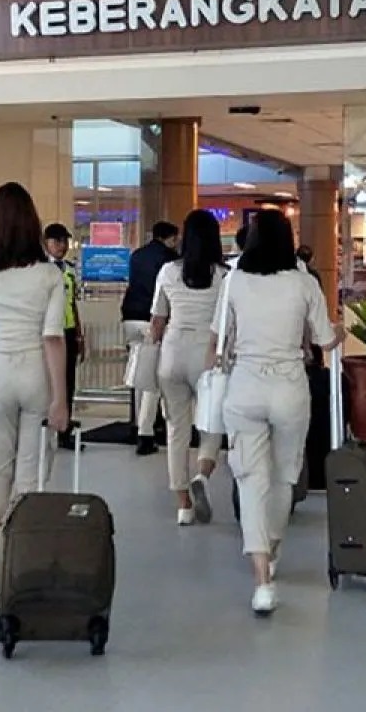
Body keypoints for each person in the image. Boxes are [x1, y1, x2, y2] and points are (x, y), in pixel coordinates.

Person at [209, 209, 344, 616]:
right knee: (285, 475)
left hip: (245, 386)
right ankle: (274, 547)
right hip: (289, 387)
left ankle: (262, 580)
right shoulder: (304, 283)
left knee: (251, 479)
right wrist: (341, 331)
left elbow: (219, 339)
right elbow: (325, 339)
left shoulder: (233, 280)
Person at [0, 182, 70, 602]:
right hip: (35, 374)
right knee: (31, 469)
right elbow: (53, 339)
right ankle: (22, 555)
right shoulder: (48, 274)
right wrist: (60, 399)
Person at [148, 210, 228, 526]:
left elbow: (157, 319)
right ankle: (203, 476)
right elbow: (228, 322)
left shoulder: (168, 271)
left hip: (172, 353)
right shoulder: (223, 275)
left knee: (176, 430)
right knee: (210, 425)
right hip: (208, 357)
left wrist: (151, 345)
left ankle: (183, 505)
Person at [121, 220, 179, 456]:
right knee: (152, 380)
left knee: (139, 375)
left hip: (129, 317)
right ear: (171, 238)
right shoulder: (169, 259)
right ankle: (146, 433)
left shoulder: (136, 255)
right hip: (150, 320)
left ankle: (137, 423)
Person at [44, 222, 86, 446]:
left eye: (65, 241)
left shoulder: (69, 269)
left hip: (67, 331)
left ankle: (64, 430)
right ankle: (45, 427)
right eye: (57, 241)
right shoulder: (41, 269)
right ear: (46, 243)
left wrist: (79, 334)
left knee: (68, 380)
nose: (62, 246)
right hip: (49, 332)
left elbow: (73, 303)